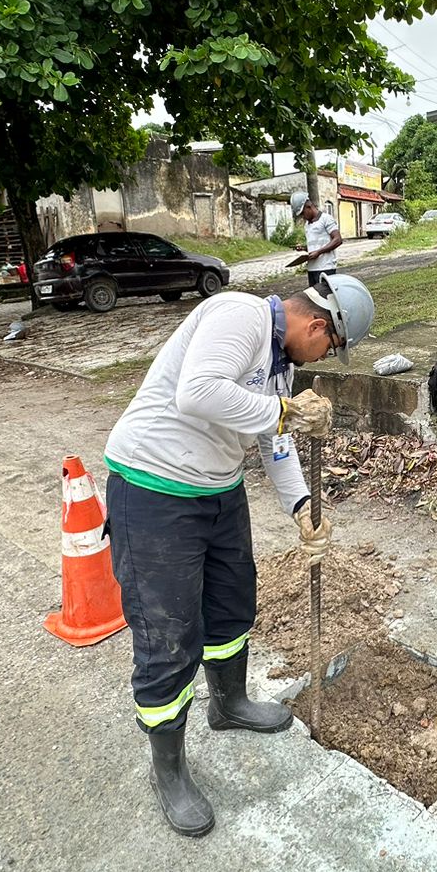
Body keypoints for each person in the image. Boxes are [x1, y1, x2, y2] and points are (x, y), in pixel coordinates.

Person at [103, 272, 377, 836]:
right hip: (154, 488)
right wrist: (284, 412)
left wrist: (301, 505)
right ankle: (169, 769)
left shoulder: (283, 362)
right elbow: (198, 392)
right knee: (167, 632)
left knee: (231, 606)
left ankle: (227, 704)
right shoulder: (238, 314)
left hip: (218, 490)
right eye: (330, 348)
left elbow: (273, 442)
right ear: (317, 326)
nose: (324, 357)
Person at [288, 190, 343, 287]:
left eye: (302, 213)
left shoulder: (326, 219)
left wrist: (319, 252)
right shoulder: (307, 225)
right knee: (315, 298)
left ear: (309, 206)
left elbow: (338, 240)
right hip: (312, 268)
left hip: (326, 267)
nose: (303, 217)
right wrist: (305, 248)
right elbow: (316, 245)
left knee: (326, 298)